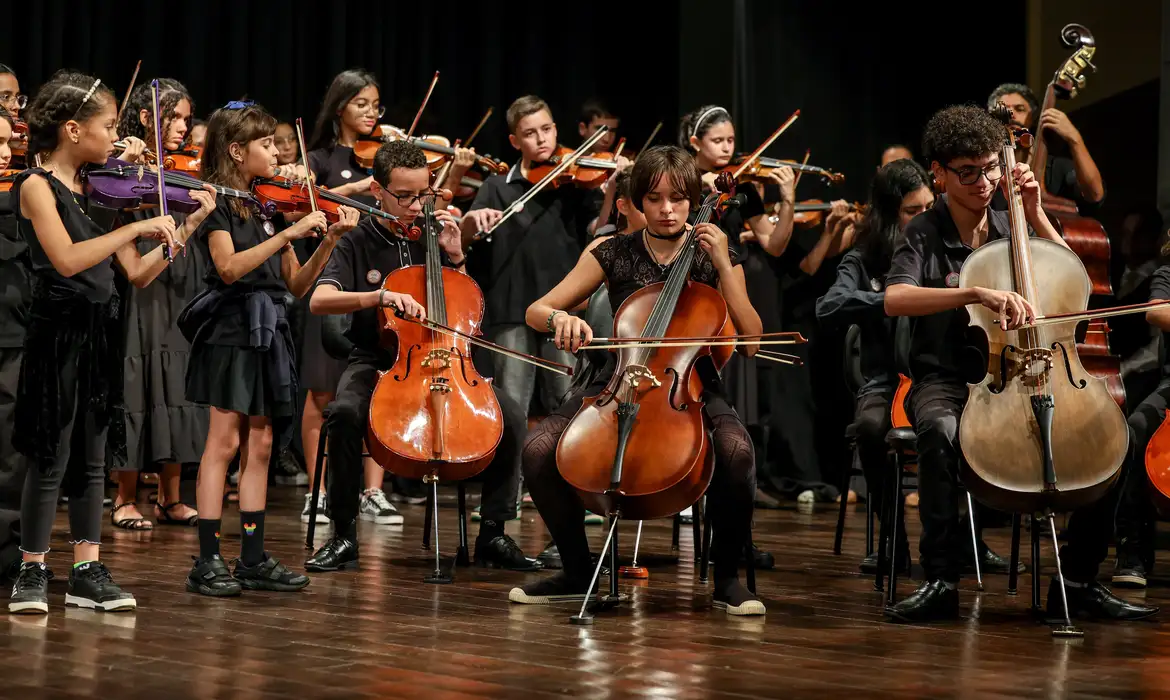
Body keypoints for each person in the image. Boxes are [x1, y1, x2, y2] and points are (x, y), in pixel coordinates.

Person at [882, 104, 1157, 623]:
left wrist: (1034, 214)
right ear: (938, 174)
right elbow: (896, 298)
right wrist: (974, 292)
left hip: (1032, 370)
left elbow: (1073, 279)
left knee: (1111, 437)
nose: (983, 182)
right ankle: (941, 578)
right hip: (949, 375)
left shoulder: (1013, 221)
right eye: (967, 172)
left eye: (991, 168)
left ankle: (1076, 580)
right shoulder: (923, 230)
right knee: (940, 431)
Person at [511, 145, 766, 616]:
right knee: (538, 450)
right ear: (635, 202)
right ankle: (576, 569)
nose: (667, 210)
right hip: (616, 377)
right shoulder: (613, 252)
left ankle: (727, 578)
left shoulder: (717, 254)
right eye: (654, 199)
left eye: (678, 199)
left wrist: (725, 267)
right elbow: (537, 309)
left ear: (693, 200)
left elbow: (750, 340)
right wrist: (561, 321)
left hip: (691, 383)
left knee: (736, 453)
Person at [6, 71, 212, 614]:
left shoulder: (99, 190)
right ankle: (31, 569)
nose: (116, 135)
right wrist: (134, 227)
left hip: (101, 333)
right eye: (109, 125)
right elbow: (68, 260)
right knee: (50, 455)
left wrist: (184, 227)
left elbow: (139, 274)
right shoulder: (35, 186)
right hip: (56, 335)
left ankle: (85, 568)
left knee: (93, 457)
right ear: (73, 130)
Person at [303, 139, 540, 572]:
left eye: (424, 194)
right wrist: (379, 297)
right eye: (406, 196)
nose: (417, 206)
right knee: (343, 414)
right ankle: (342, 534)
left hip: (446, 358)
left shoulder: (435, 233)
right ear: (378, 191)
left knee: (512, 417)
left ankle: (493, 532)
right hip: (380, 360)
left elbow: (466, 305)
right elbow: (319, 301)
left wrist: (456, 256)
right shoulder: (355, 239)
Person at [181, 100, 359, 597]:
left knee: (260, 444)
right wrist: (289, 230)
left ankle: (253, 558)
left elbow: (298, 286)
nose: (275, 151)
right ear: (237, 151)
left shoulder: (267, 205)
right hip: (231, 330)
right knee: (224, 443)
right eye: (264, 144)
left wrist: (326, 242)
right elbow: (228, 269)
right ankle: (208, 559)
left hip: (270, 328)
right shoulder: (212, 202)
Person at [459, 95, 609, 478]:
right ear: (514, 141)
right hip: (511, 309)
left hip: (563, 309)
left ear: (556, 130)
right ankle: (507, 495)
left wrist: (610, 195)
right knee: (513, 405)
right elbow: (462, 241)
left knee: (567, 399)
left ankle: (573, 484)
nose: (541, 139)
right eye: (530, 133)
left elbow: (598, 232)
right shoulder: (496, 186)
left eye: (546, 129)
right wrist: (470, 225)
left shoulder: (574, 183)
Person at [816, 159, 934, 572]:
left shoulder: (941, 250)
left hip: (939, 374)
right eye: (911, 212)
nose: (923, 219)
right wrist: (888, 300)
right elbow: (829, 305)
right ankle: (894, 537)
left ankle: (958, 537)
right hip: (885, 379)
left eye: (928, 208)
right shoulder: (865, 259)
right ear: (888, 215)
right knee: (870, 427)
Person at [302, 69, 401, 525]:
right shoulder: (320, 158)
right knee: (323, 391)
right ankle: (316, 491)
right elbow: (309, 203)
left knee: (376, 388)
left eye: (376, 103)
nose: (371, 112)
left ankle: (372, 491)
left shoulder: (380, 158)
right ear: (340, 105)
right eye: (361, 102)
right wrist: (359, 187)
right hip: (329, 276)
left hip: (377, 281)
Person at [107, 78, 203, 531]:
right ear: (146, 118)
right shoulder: (121, 165)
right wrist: (121, 164)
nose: (184, 127)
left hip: (181, 277)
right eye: (175, 117)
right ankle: (125, 496)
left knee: (177, 381)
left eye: (187, 117)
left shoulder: (182, 167)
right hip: (141, 285)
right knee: (136, 379)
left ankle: (170, 496)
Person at [988, 83, 1104, 215]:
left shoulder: (1057, 167)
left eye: (1019, 109)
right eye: (1002, 110)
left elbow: (1095, 196)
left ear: (1032, 118)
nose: (1011, 114)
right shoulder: (983, 172)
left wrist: (1075, 139)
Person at [0, 105, 27, 510]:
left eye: (8, 142)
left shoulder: (20, 193)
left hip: (10, 326)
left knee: (8, 444)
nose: (6, 153)